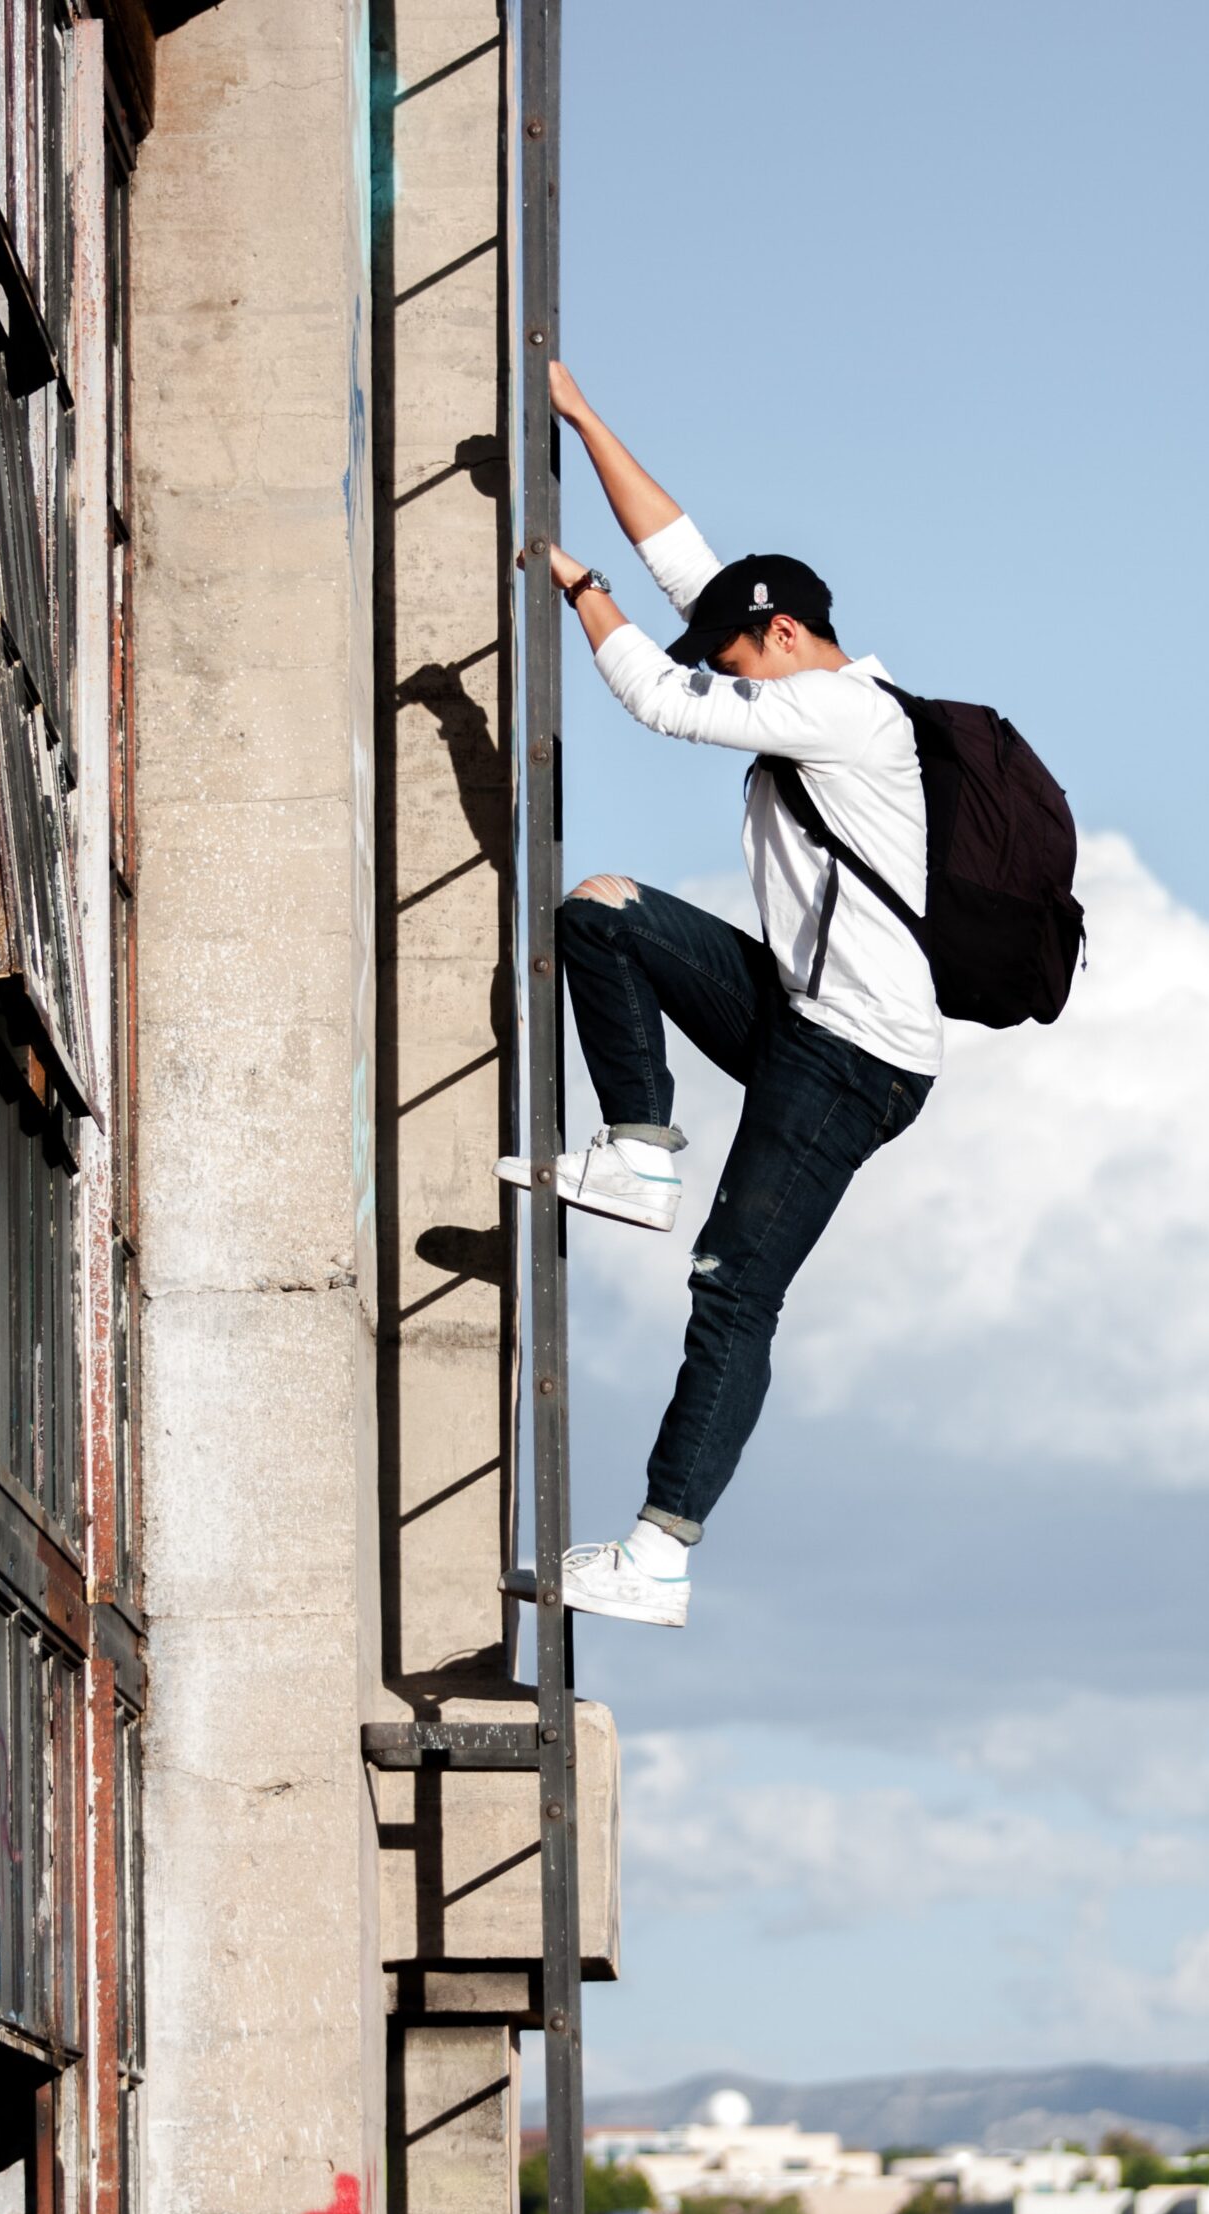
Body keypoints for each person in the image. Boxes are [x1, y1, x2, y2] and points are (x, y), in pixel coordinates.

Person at [497, 362, 938, 1629]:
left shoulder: (838, 715)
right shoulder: (793, 667)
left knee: (735, 1289)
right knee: (604, 907)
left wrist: (572, 585)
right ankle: (638, 1149)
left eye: (742, 662)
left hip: (856, 1058)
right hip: (802, 1016)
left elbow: (651, 694)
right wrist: (578, 418)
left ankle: (661, 1552)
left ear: (787, 642)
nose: (735, 681)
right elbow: (690, 564)